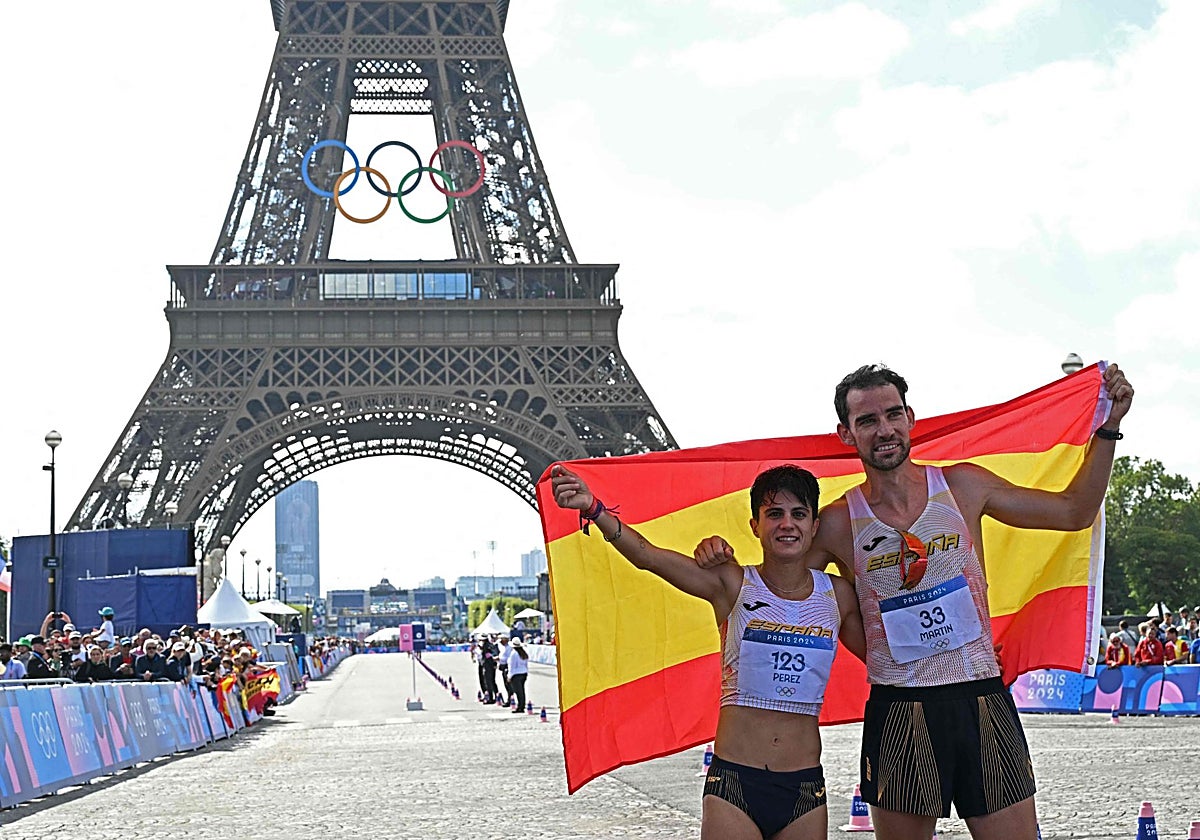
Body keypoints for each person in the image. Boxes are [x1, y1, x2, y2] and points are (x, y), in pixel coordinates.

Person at [696, 362, 1133, 840]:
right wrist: (719, 560)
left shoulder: (963, 486)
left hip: (981, 699)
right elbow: (777, 587)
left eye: (892, 414)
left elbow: (1074, 512)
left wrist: (1108, 428)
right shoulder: (837, 522)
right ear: (846, 434)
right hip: (900, 709)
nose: (883, 429)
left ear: (910, 418)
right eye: (867, 420)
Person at [553, 463, 865, 840]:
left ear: (814, 526)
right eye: (774, 514)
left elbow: (882, 655)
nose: (787, 524)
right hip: (735, 784)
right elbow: (648, 556)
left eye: (799, 514)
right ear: (755, 525)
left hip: (804, 788)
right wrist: (594, 510)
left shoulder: (838, 595)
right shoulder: (731, 584)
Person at [504, 636, 530, 713]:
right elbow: (526, 664)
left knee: (518, 691)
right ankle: (522, 705)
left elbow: (511, 666)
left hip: (516, 674)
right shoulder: (523, 653)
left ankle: (520, 707)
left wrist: (509, 676)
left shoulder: (513, 654)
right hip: (523, 673)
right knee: (522, 690)